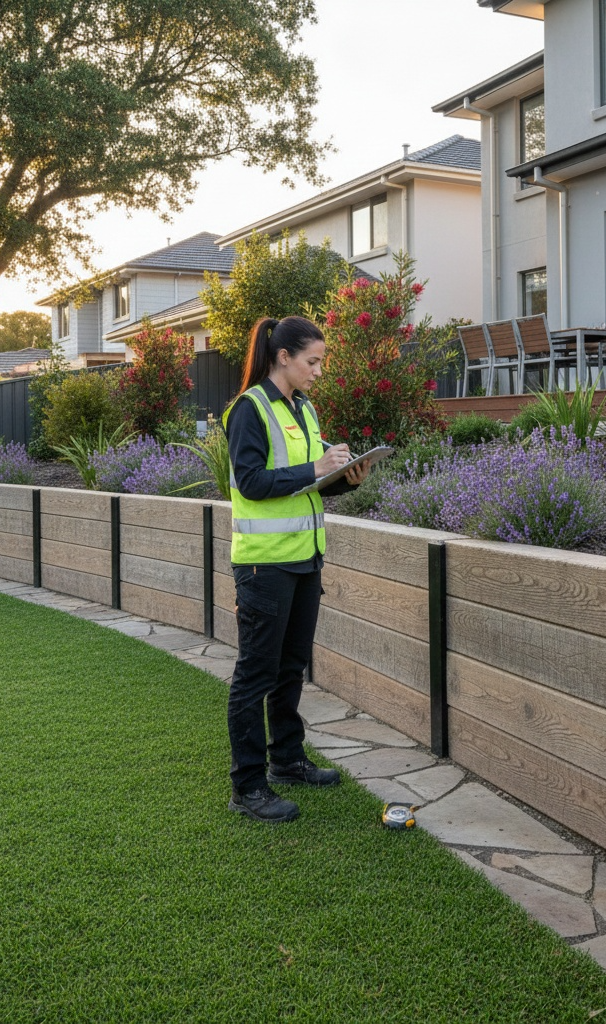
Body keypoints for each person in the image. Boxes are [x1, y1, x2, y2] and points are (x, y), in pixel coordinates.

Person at [222, 315, 369, 823]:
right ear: (283, 356)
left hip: (305, 560)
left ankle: (286, 759)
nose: (319, 372)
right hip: (265, 567)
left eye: (322, 362)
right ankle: (247, 787)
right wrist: (316, 467)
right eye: (313, 362)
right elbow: (252, 482)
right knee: (255, 674)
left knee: (290, 669)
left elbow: (305, 487)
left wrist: (346, 478)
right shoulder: (249, 409)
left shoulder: (302, 409)